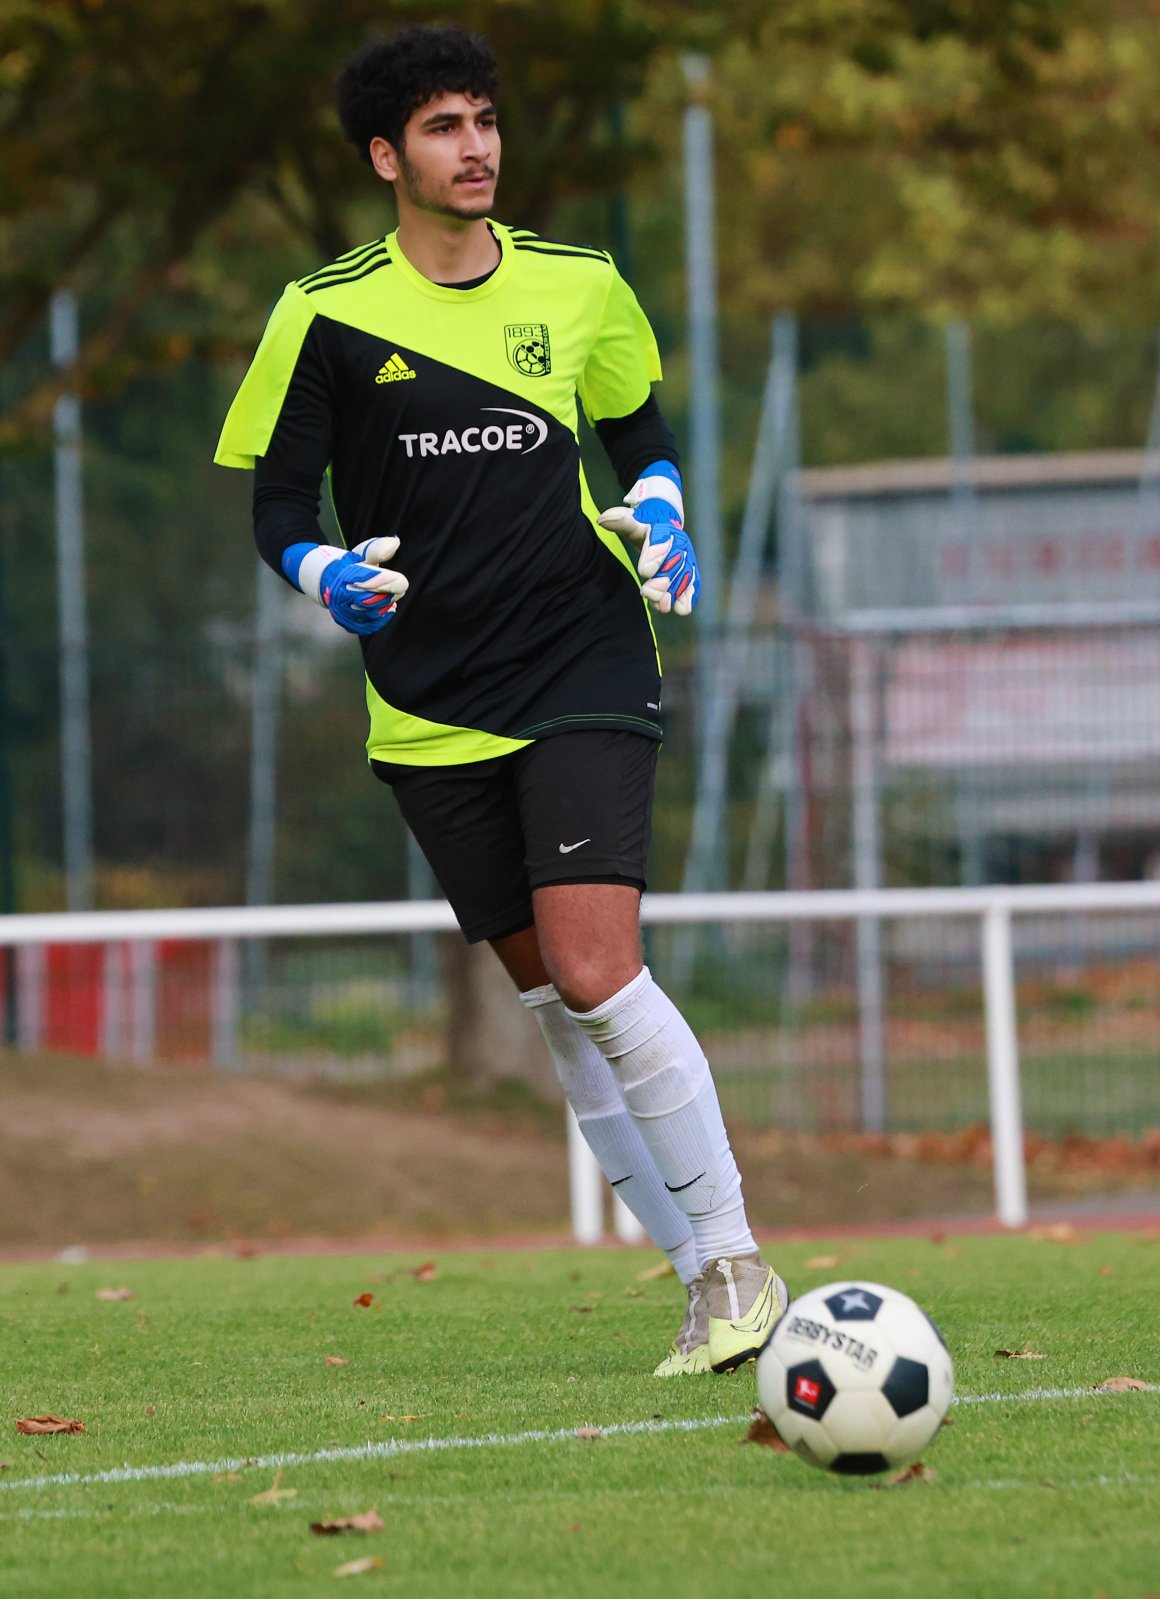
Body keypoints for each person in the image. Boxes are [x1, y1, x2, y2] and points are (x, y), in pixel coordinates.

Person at [215, 22, 787, 1375]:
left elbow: (638, 429)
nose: (475, 148)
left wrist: (659, 505)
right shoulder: (325, 311)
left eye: (484, 121)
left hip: (583, 659)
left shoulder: (583, 283)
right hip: (427, 703)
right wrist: (322, 575)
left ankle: (742, 1264)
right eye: (442, 128)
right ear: (385, 156)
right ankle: (695, 1281)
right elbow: (278, 505)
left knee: (599, 968)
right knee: (553, 1006)